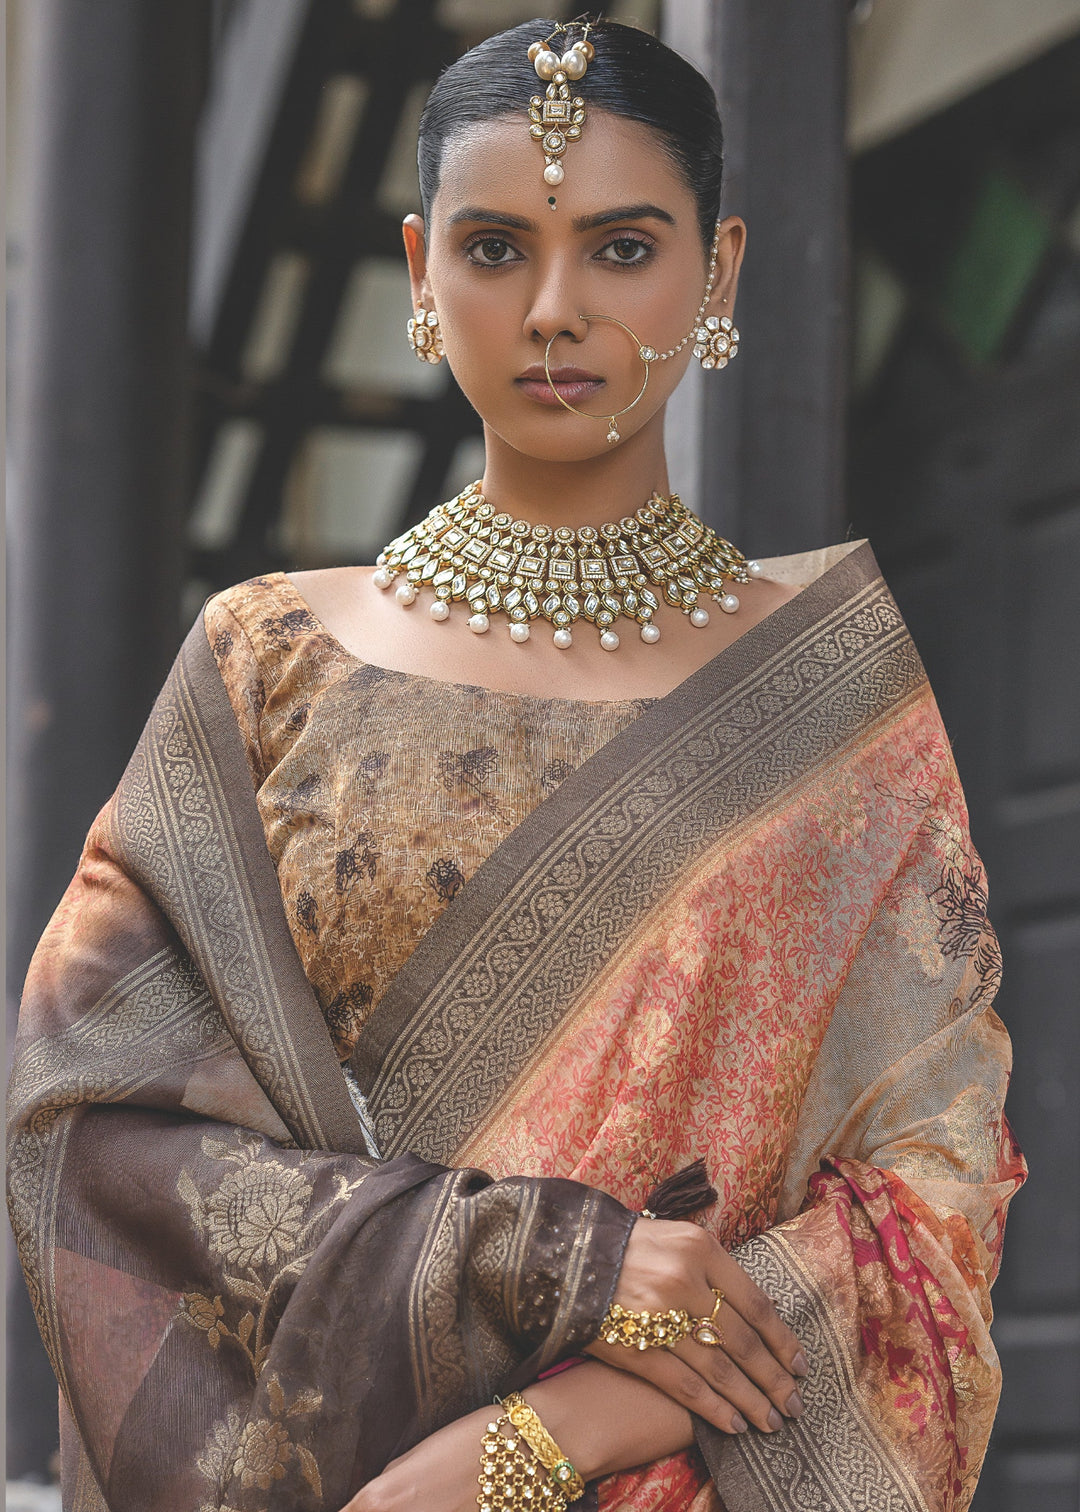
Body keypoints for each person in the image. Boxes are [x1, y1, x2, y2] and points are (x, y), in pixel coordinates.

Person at [7, 17, 1025, 1512]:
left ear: (721, 270)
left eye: (624, 249)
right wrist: (556, 1265)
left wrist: (545, 1440)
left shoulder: (837, 697)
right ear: (422, 272)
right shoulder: (266, 662)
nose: (557, 311)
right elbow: (94, 1129)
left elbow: (933, 1196)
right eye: (496, 250)